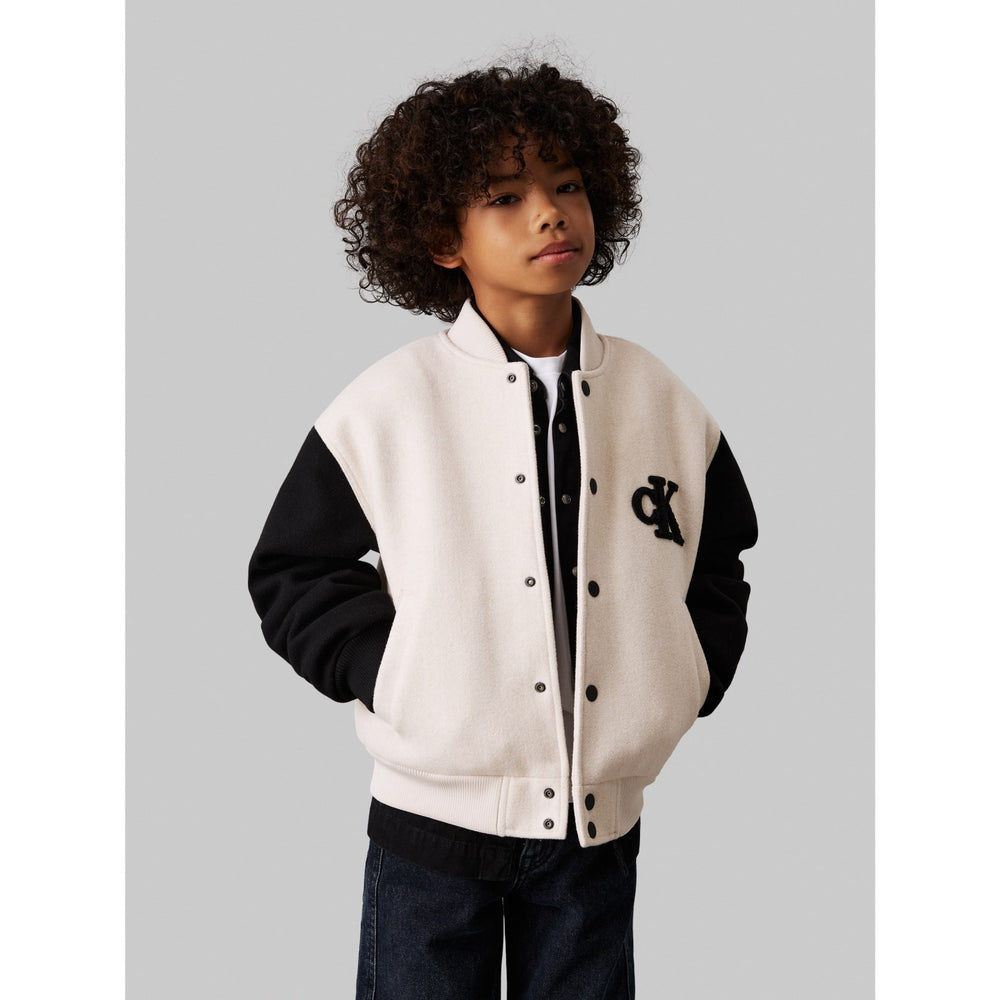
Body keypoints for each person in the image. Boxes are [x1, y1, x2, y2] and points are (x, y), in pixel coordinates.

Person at [247, 59, 758, 1000]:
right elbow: (293, 569)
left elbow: (716, 556)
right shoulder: (391, 406)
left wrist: (686, 676)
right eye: (507, 197)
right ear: (444, 238)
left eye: (568, 187)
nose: (550, 215)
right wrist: (401, 678)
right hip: (432, 833)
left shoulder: (661, 401)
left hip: (598, 831)